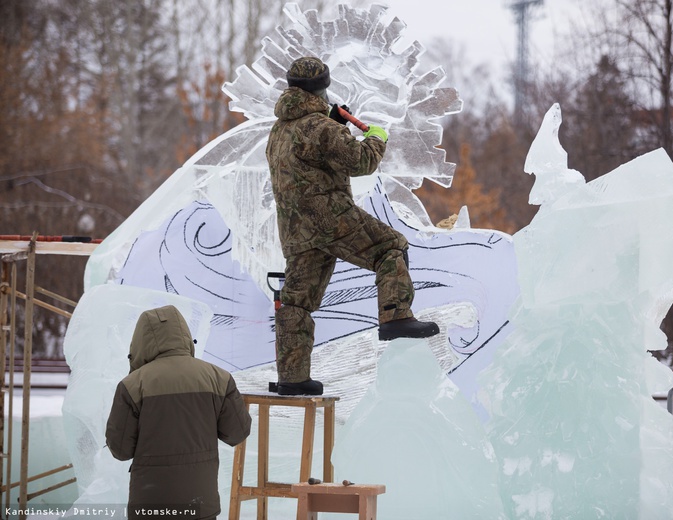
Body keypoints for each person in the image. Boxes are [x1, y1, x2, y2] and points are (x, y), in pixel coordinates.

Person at [265, 56, 440, 396]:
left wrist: (333, 124)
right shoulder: (320, 127)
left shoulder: (279, 131)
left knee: (297, 302)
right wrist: (376, 137)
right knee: (391, 247)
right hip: (331, 218)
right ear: (322, 87)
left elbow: (311, 158)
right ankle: (396, 317)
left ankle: (293, 378)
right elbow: (361, 161)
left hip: (295, 230)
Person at [106, 305, 251, 520]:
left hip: (151, 504)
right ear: (184, 335)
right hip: (201, 504)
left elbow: (120, 449)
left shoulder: (132, 385)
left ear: (140, 342)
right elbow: (237, 432)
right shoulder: (219, 378)